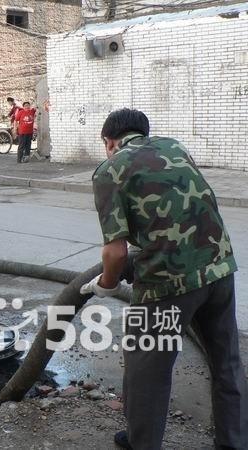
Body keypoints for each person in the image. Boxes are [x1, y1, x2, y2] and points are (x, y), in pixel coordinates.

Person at [81, 108, 247, 450]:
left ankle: (143, 443)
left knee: (147, 375)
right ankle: (235, 442)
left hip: (166, 284)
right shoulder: (175, 147)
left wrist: (107, 283)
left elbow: (114, 253)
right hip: (219, 269)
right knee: (227, 363)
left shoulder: (110, 169)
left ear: (108, 142)